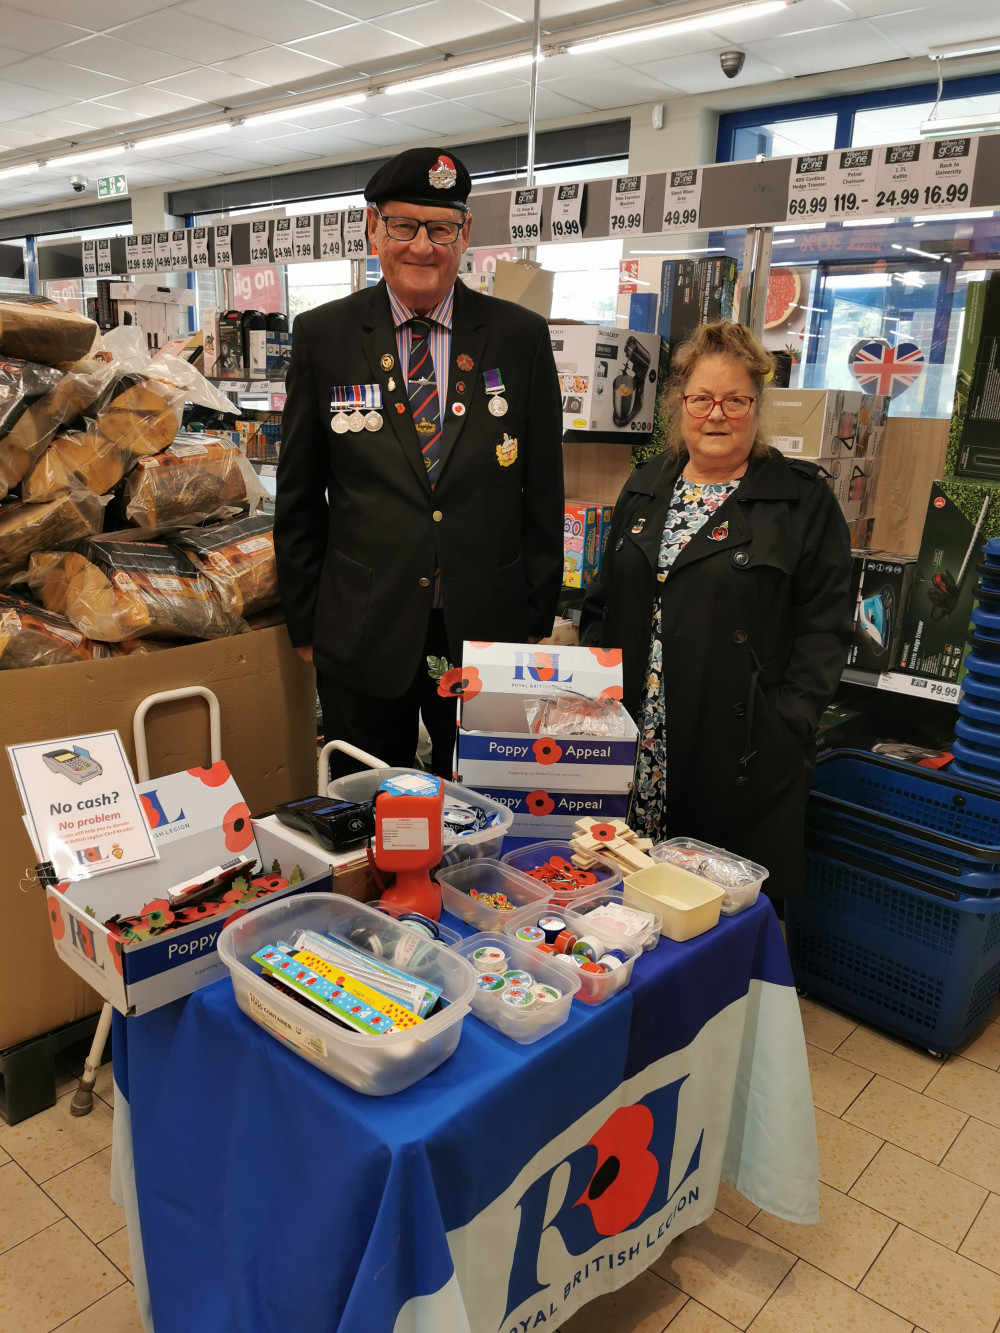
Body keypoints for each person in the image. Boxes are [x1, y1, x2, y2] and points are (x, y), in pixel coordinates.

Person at [275, 147, 564, 777]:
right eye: (404, 226)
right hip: (362, 627)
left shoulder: (518, 336)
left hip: (487, 625)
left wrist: (535, 614)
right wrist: (306, 620)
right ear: (374, 230)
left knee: (492, 794)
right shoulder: (325, 335)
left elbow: (542, 486)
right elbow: (299, 493)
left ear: (466, 234)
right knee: (369, 804)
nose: (422, 247)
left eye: (441, 228)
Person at [580, 321, 852, 905]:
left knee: (719, 913)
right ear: (680, 403)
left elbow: (826, 625)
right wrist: (597, 697)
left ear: (758, 406)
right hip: (637, 733)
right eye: (702, 398)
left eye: (735, 399)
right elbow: (604, 598)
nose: (717, 414)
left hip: (740, 747)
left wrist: (790, 721)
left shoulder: (801, 500)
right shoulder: (648, 483)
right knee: (632, 895)